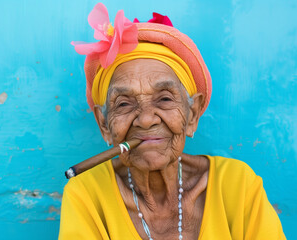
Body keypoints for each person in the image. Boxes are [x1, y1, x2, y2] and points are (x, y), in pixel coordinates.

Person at [58, 3, 286, 240]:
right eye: (124, 103)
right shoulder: (86, 195)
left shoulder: (237, 186)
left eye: (165, 99)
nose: (145, 120)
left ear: (192, 115)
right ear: (104, 124)